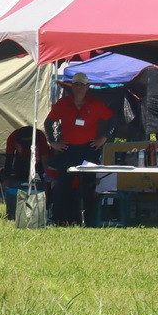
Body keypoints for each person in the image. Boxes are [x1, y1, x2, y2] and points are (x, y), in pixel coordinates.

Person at [45, 72, 114, 226]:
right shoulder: (63, 103)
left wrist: (103, 138)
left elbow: (112, 120)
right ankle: (60, 219)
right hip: (68, 149)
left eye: (82, 84)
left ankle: (87, 220)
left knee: (88, 184)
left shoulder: (95, 103)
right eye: (76, 84)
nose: (79, 88)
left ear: (87, 86)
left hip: (87, 149)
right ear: (72, 86)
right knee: (63, 184)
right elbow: (48, 123)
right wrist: (52, 142)